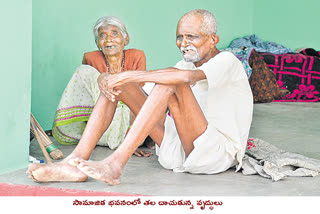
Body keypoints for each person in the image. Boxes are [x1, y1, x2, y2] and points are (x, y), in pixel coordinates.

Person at [27, 9, 253, 185]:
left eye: (191, 37)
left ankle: (116, 162)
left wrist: (131, 74)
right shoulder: (184, 63)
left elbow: (185, 78)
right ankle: (74, 163)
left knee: (170, 79)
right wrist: (112, 79)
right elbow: (153, 90)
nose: (183, 44)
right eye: (180, 37)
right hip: (176, 151)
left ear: (213, 39)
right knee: (123, 84)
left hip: (213, 154)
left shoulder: (228, 61)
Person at [51, 16, 151, 155]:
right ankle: (88, 136)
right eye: (103, 36)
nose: (109, 39)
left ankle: (142, 138)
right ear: (98, 43)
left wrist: (131, 143)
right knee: (82, 71)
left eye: (114, 34)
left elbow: (137, 98)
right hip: (102, 130)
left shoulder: (136, 56)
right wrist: (101, 78)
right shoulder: (90, 58)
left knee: (153, 88)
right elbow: (87, 97)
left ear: (126, 39)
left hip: (129, 129)